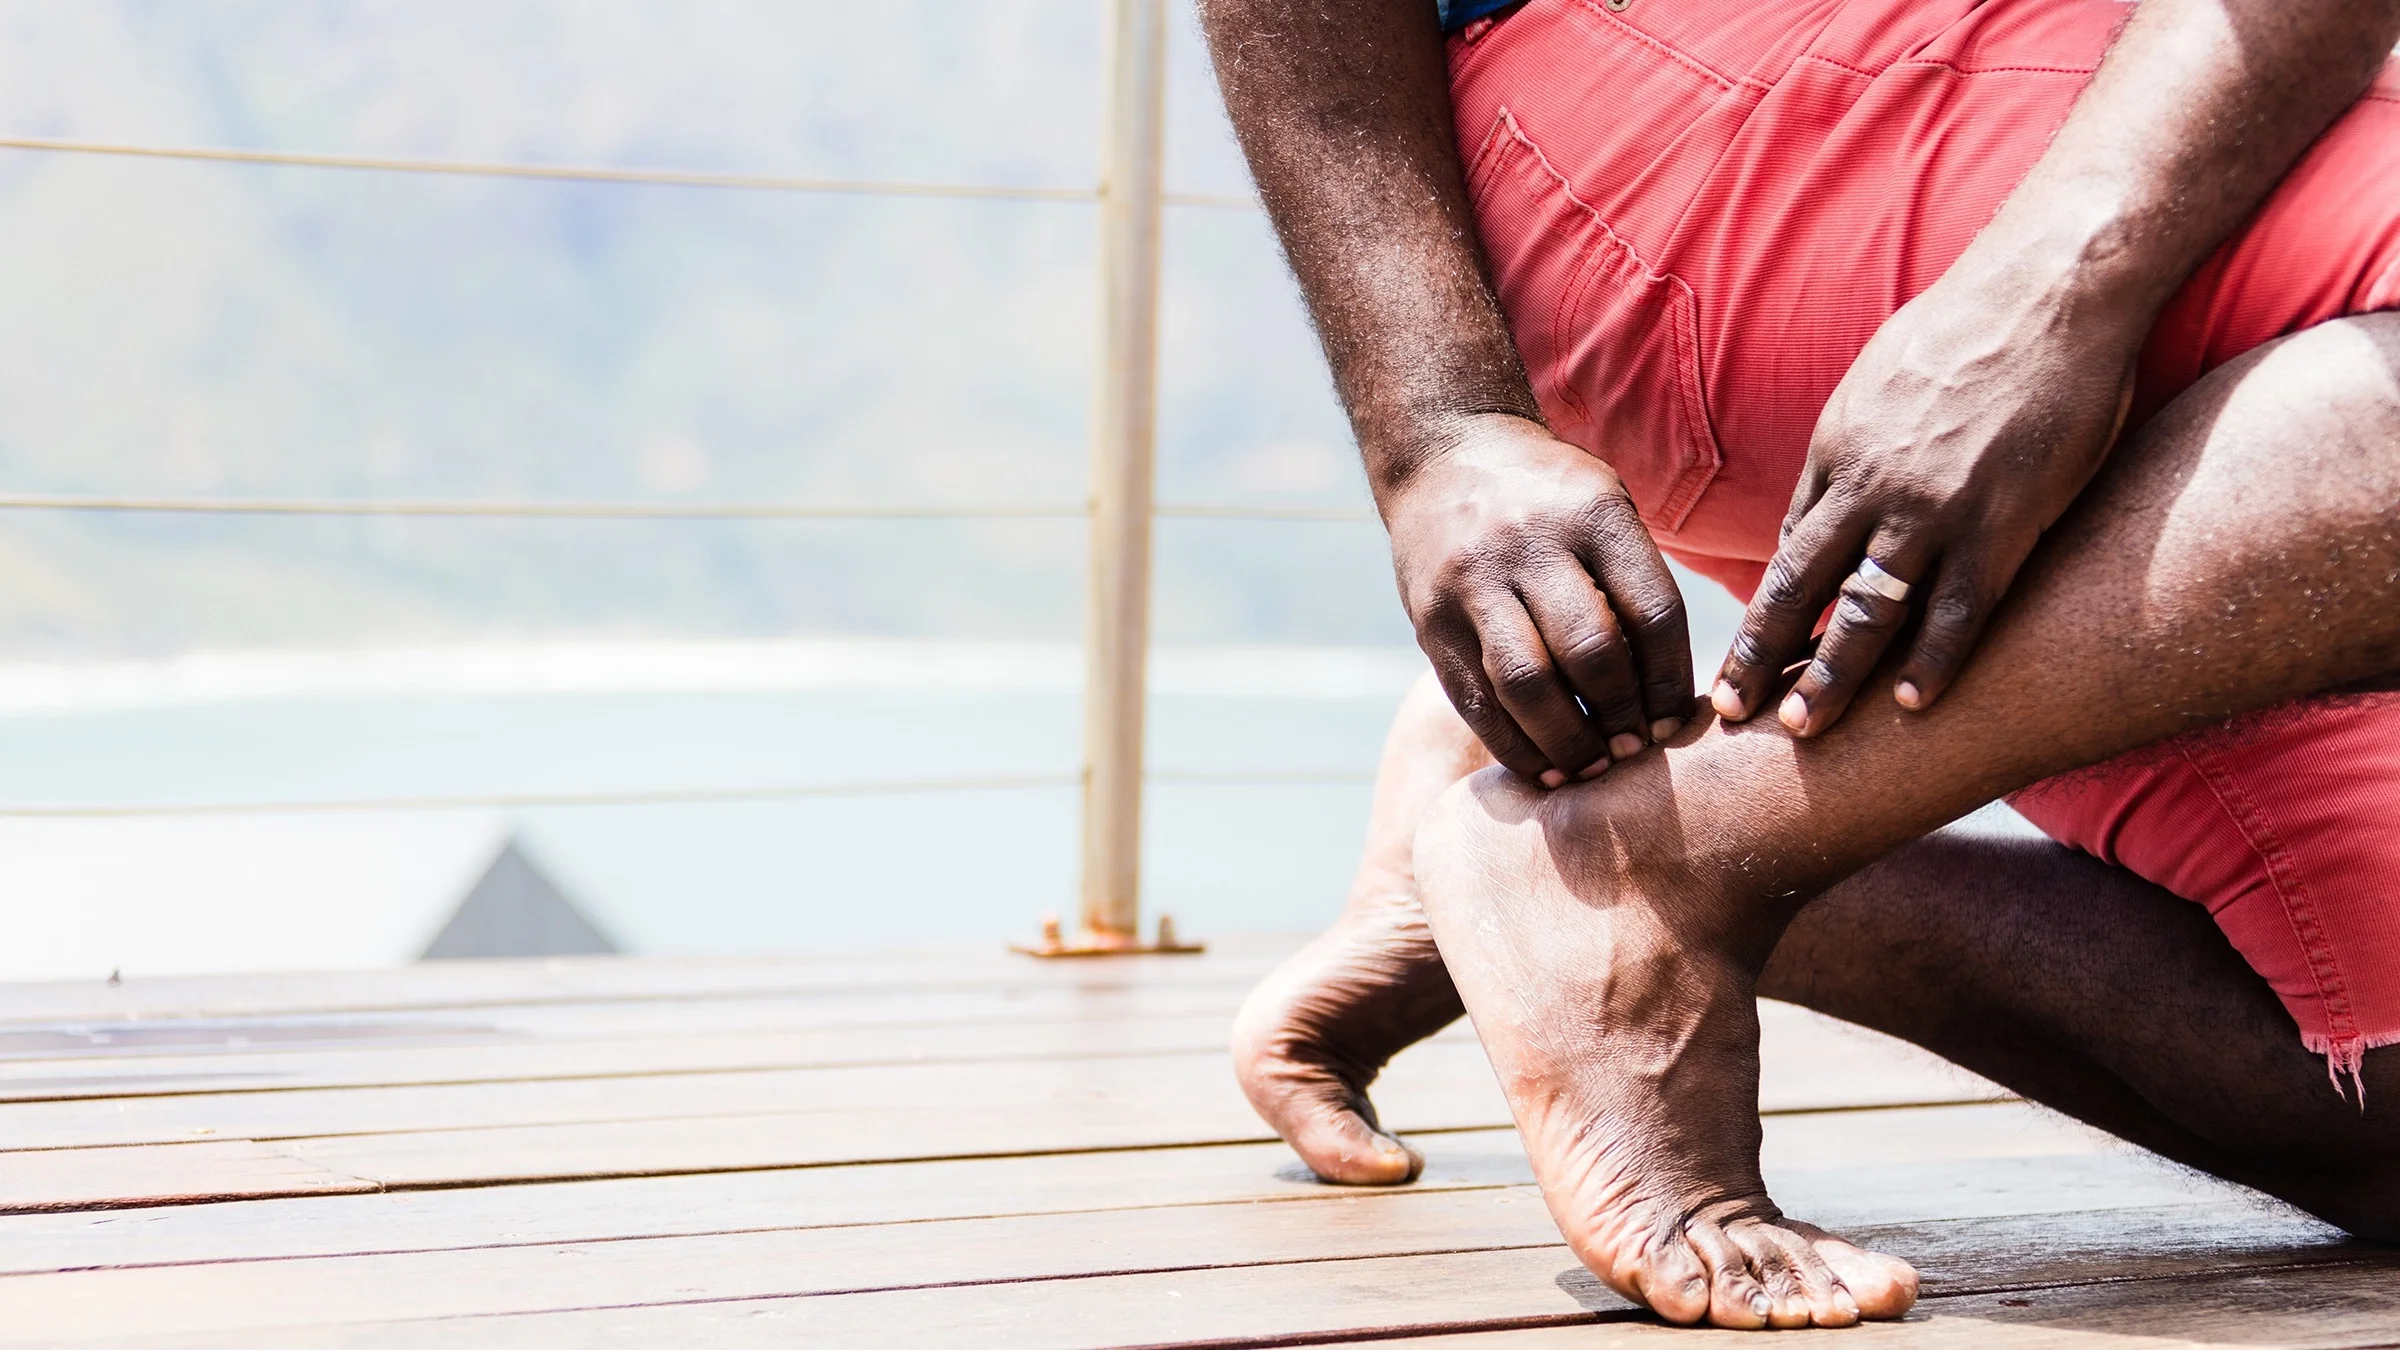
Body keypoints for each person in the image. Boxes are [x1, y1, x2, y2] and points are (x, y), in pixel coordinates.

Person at [1200, 0, 2400, 1329]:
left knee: (2379, 1098)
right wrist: (1442, 428)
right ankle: (1670, 867)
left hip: (2131, 88)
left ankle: (1606, 823)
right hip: (1678, 102)